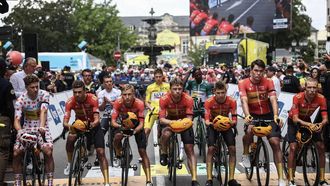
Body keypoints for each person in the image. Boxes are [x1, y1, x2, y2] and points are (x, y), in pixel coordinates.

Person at [238, 60, 285, 186]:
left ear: (264, 71)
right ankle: (246, 154)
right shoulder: (243, 83)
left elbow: (273, 99)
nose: (258, 73)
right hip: (252, 114)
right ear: (251, 71)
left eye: (261, 71)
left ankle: (281, 179)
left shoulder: (269, 82)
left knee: (275, 143)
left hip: (268, 114)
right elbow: (243, 100)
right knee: (249, 131)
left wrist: (276, 115)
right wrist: (247, 115)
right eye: (256, 70)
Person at [63, 80, 110, 186]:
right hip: (79, 124)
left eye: (79, 92)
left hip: (93, 125)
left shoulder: (93, 98)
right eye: (75, 92)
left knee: (101, 152)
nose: (77, 95)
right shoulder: (70, 101)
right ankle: (70, 163)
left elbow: (97, 118)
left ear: (85, 91)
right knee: (70, 138)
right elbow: (65, 120)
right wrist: (68, 126)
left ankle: (107, 182)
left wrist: (91, 125)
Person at [12, 74, 54, 186]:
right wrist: (20, 131)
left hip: (41, 126)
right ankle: (17, 182)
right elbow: (17, 119)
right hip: (26, 127)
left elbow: (44, 111)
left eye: (37, 86)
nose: (35, 89)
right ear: (26, 87)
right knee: (16, 153)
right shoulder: (20, 100)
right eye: (32, 87)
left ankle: (49, 182)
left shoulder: (44, 94)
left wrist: (42, 126)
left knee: (48, 151)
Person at [286, 78, 328, 186]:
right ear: (305, 87)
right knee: (293, 147)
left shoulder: (321, 98)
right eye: (309, 87)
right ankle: (290, 178)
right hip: (294, 122)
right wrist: (309, 124)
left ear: (317, 88)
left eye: (314, 87)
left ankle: (322, 178)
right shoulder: (297, 97)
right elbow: (295, 119)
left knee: (321, 146)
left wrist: (321, 124)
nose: (312, 90)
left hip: (308, 121)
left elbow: (325, 118)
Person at [159, 78, 200, 186]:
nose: (177, 91)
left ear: (183, 89)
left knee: (189, 149)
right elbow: (162, 119)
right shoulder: (164, 99)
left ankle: (194, 179)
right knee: (165, 134)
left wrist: (181, 123)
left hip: (185, 122)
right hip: (170, 120)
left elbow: (190, 118)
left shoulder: (188, 99)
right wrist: (173, 122)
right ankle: (164, 153)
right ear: (170, 89)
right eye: (175, 89)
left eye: (179, 89)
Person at [111, 85, 152, 186]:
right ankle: (118, 154)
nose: (127, 97)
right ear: (122, 95)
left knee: (142, 151)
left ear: (133, 95)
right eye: (124, 95)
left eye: (129, 94)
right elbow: (113, 121)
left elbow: (142, 124)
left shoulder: (139, 103)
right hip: (123, 124)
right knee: (116, 137)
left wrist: (134, 131)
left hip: (137, 126)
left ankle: (148, 180)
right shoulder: (118, 102)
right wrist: (121, 127)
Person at [204, 81, 240, 186]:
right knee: (211, 149)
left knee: (232, 149)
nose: (220, 95)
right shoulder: (209, 101)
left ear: (226, 92)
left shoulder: (232, 101)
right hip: (213, 125)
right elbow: (206, 119)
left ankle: (231, 179)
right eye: (218, 93)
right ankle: (209, 179)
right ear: (214, 92)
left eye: (223, 92)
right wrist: (209, 123)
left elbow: (234, 118)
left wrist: (232, 123)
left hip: (226, 125)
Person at [0, 58, 16, 185]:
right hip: (2, 119)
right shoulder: (6, 84)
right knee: (2, 151)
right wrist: (14, 122)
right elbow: (10, 106)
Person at [144, 69, 170, 139]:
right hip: (153, 111)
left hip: (165, 111)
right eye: (156, 77)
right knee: (146, 131)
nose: (158, 78)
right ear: (154, 77)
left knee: (167, 133)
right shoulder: (150, 87)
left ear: (162, 77)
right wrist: (150, 107)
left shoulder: (168, 86)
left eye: (160, 76)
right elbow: (146, 102)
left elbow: (171, 99)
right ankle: (144, 148)